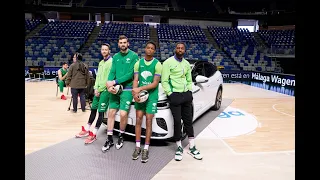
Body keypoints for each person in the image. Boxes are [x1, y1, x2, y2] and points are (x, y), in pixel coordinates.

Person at [161, 42, 202, 161]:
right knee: (177, 122)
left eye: (182, 48)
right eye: (178, 48)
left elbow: (189, 79)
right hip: (175, 96)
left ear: (184, 50)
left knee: (188, 121)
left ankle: (192, 147)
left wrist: (189, 91)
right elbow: (164, 81)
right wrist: (170, 94)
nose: (180, 50)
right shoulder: (168, 63)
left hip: (186, 96)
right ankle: (179, 147)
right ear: (175, 49)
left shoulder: (186, 63)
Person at [102, 35, 139, 152]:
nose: (122, 44)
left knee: (123, 114)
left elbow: (131, 74)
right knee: (111, 112)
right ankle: (109, 139)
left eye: (124, 42)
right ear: (118, 44)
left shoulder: (134, 56)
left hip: (126, 89)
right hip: (115, 89)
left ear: (128, 44)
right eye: (120, 43)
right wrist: (109, 84)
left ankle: (121, 136)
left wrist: (115, 81)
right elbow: (112, 71)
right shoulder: (116, 57)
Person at [131, 41, 162, 163]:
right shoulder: (138, 63)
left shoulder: (158, 64)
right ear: (145, 49)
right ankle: (138, 146)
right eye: (148, 48)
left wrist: (140, 88)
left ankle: (146, 148)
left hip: (152, 96)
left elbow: (155, 83)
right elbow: (136, 80)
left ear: (154, 51)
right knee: (138, 119)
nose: (149, 50)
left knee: (149, 120)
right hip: (140, 95)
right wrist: (135, 92)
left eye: (152, 48)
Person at [75, 43, 113, 144]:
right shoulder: (101, 62)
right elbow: (98, 77)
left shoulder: (111, 62)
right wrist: (96, 88)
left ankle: (94, 134)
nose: (104, 51)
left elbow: (109, 78)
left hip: (105, 91)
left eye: (106, 49)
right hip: (98, 90)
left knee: (100, 112)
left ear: (109, 51)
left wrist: (102, 89)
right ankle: (87, 129)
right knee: (93, 110)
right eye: (102, 49)